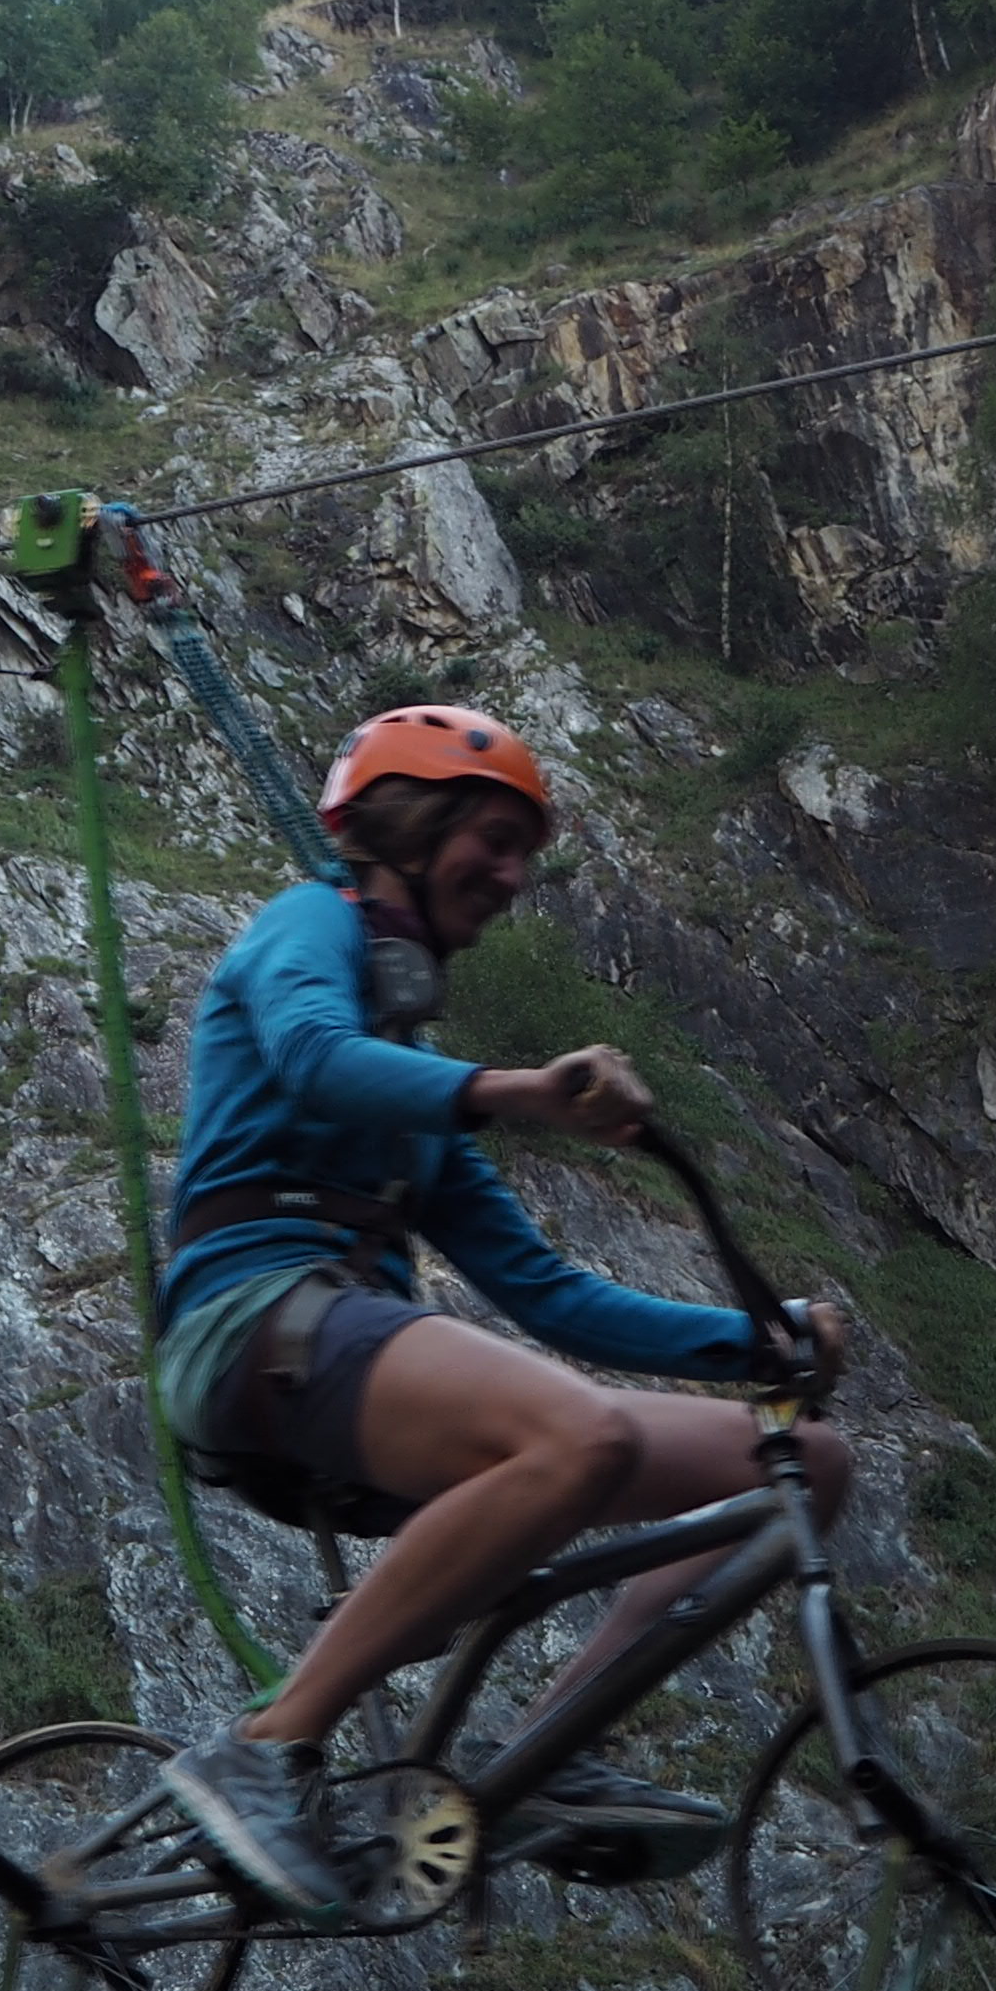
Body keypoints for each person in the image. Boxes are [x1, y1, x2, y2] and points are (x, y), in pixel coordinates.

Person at [150, 702, 855, 1925]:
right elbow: (315, 1057)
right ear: (410, 828)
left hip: (346, 1367)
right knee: (579, 1438)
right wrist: (522, 1090)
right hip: (249, 1327)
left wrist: (757, 1340)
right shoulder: (307, 924)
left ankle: (540, 1755)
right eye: (493, 838)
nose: (515, 876)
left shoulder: (427, 1108)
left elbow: (548, 1294)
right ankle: (266, 1745)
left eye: (525, 852)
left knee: (803, 1463)